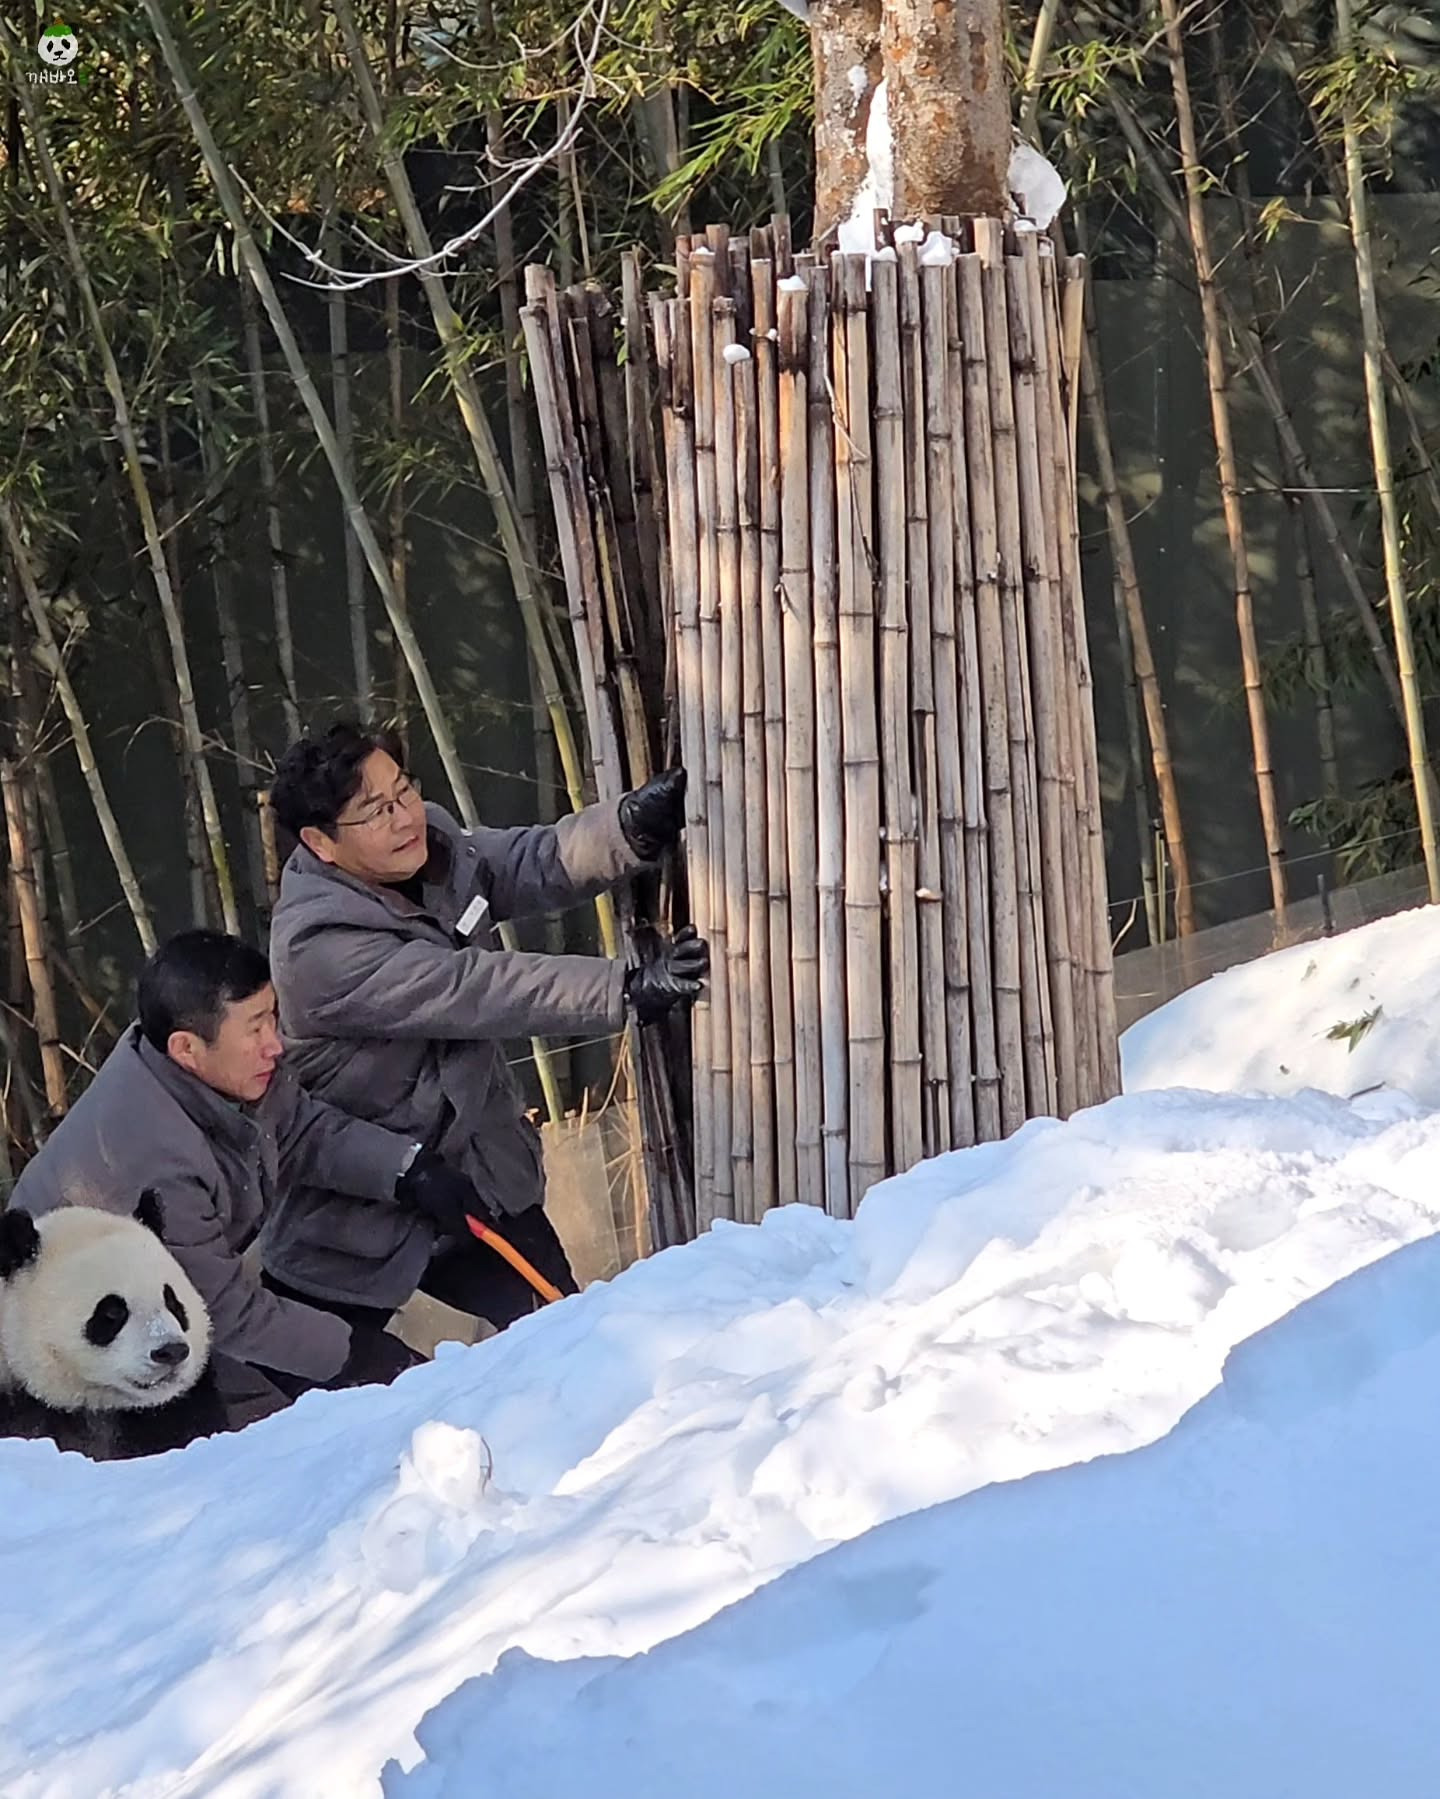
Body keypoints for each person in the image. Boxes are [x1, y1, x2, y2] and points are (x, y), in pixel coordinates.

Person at [264, 719, 708, 1337]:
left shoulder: (430, 841)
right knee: (354, 1407)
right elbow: (475, 988)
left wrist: (626, 828)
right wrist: (625, 989)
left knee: (563, 1331)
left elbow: (521, 863)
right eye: (375, 811)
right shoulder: (318, 946)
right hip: (357, 1214)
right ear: (320, 842)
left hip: (474, 1173)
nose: (404, 817)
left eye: (404, 791)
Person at [8, 930, 494, 1411]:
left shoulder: (213, 1071)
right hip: (79, 1358)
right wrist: (358, 1354)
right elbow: (226, 1311)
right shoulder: (153, 1161)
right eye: (256, 1027)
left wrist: (407, 1169)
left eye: (273, 1018)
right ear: (186, 1048)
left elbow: (303, 1130)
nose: (275, 1045)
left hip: (162, 1314)